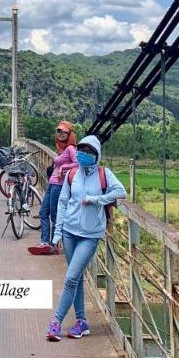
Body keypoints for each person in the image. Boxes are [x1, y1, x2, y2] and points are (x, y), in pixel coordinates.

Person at [45, 134, 126, 342]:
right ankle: (81, 322)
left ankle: (56, 323)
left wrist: (96, 200)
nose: (83, 154)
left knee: (71, 277)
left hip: (90, 235)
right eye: (81, 150)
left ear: (97, 155)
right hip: (69, 232)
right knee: (77, 277)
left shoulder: (104, 173)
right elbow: (63, 202)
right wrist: (57, 233)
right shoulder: (72, 174)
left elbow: (121, 192)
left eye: (89, 151)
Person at [29, 121, 77, 256]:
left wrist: (64, 167)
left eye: (64, 132)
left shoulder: (70, 149)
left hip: (59, 185)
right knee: (44, 212)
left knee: (55, 215)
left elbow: (78, 163)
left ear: (70, 134)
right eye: (59, 131)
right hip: (52, 184)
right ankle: (45, 242)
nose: (61, 134)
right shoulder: (62, 149)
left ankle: (54, 244)